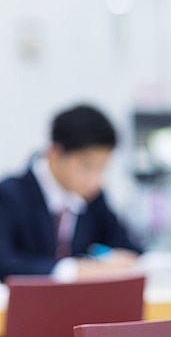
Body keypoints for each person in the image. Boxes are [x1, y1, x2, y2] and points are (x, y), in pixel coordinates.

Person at [0, 103, 142, 283]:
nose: (96, 180)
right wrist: (73, 270)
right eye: (87, 166)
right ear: (55, 153)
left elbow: (127, 247)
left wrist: (112, 261)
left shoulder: (93, 197)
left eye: (103, 168)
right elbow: (5, 263)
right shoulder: (10, 195)